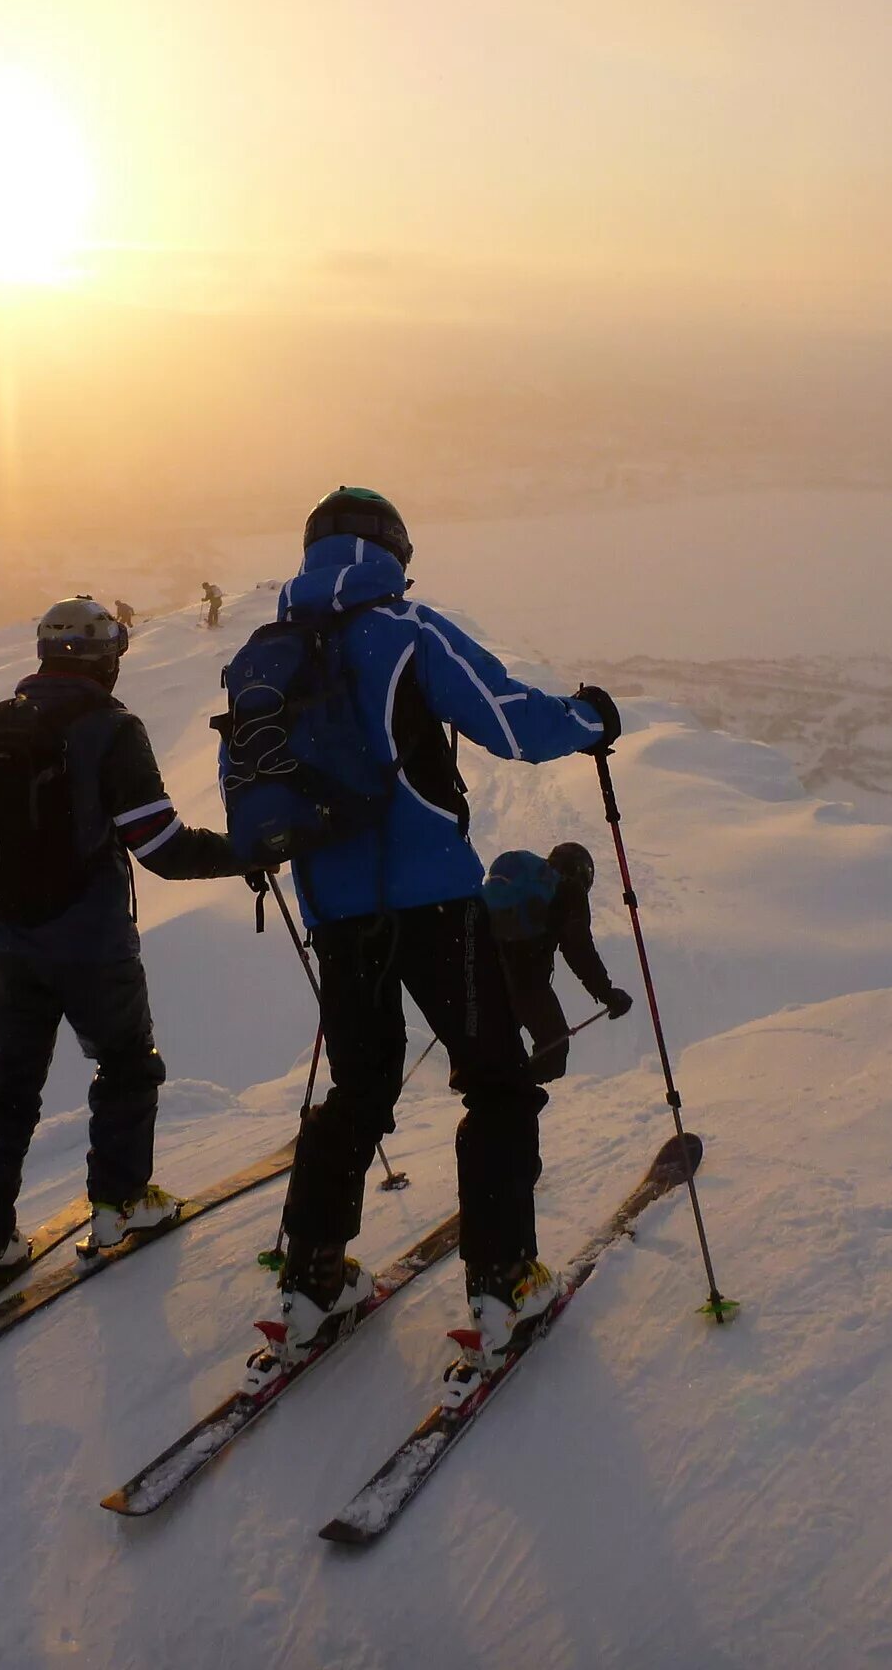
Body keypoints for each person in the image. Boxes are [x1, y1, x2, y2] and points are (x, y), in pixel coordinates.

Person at [235, 488, 621, 1369]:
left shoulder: (267, 654)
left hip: (336, 914)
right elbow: (510, 720)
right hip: (438, 906)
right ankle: (504, 1282)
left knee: (361, 1091)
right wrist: (593, 719)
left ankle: (312, 1281)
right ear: (393, 552)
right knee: (494, 1083)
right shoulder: (406, 630)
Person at [0, 596, 253, 1318]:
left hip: (6, 944)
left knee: (6, 1088)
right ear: (106, 657)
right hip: (91, 943)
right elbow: (159, 846)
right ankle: (119, 1204)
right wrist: (244, 855)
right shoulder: (111, 730)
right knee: (126, 1064)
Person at [485, 842, 634, 1083]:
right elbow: (579, 951)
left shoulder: (527, 887)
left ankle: (494, 1100)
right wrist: (607, 994)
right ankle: (510, 1098)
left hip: (488, 973)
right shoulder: (568, 891)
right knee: (553, 1052)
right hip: (528, 980)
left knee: (504, 1050)